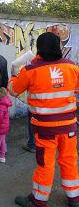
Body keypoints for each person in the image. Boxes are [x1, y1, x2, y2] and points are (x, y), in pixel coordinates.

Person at [8, 32, 79, 207]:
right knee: (69, 160)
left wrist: (13, 74)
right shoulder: (72, 67)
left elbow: (13, 90)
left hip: (45, 129)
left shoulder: (30, 70)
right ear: (58, 47)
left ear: (39, 48)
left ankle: (39, 200)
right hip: (69, 126)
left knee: (45, 164)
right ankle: (74, 198)